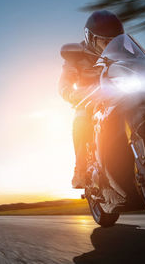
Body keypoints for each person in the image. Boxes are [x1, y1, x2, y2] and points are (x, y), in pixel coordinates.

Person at [59, 10, 124, 188]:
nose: (110, 45)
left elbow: (140, 63)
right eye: (105, 41)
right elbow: (64, 86)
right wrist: (75, 94)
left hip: (121, 95)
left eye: (114, 40)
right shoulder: (76, 55)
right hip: (89, 101)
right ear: (91, 38)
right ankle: (80, 169)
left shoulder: (124, 51)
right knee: (80, 121)